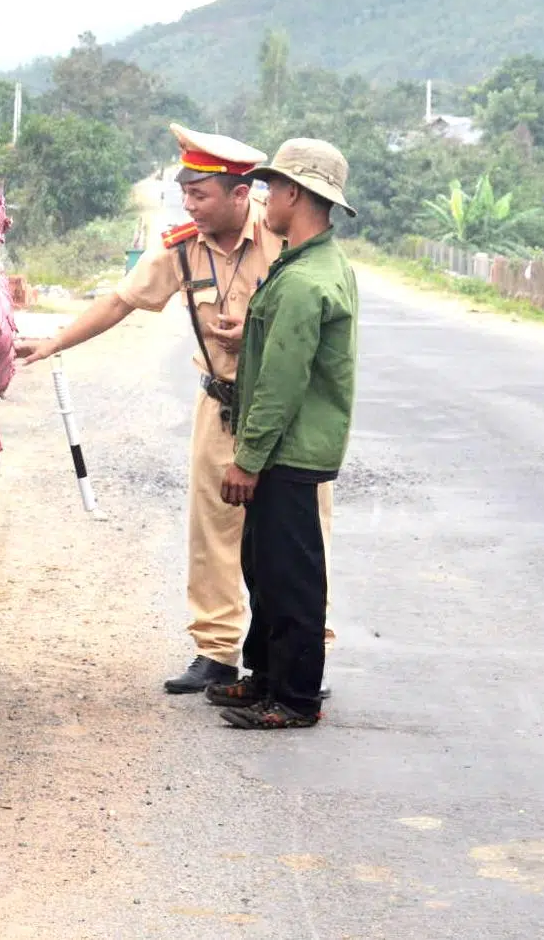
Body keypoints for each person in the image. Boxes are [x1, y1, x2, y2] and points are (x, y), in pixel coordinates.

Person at [16, 124, 332, 694]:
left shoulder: (285, 236)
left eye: (200, 193)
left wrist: (256, 337)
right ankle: (215, 653)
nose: (189, 203)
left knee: (299, 536)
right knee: (213, 530)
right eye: (186, 191)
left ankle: (298, 655)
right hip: (222, 404)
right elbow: (119, 301)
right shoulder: (181, 246)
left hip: (285, 409)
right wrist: (55, 342)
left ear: (242, 194)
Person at [206, 139, 359, 730]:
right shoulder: (309, 266)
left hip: (287, 450)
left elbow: (281, 383)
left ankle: (295, 700)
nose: (264, 199)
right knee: (263, 565)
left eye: (272, 188)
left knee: (290, 577)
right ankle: (265, 677)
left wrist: (246, 459)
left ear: (296, 194)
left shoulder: (302, 279)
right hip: (287, 447)